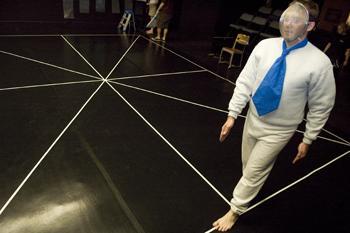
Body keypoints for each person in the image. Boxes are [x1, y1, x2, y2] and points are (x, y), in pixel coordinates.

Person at [212, 1, 336, 231]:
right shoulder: (264, 46)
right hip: (253, 119)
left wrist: (308, 139)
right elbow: (245, 81)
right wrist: (232, 115)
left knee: (254, 171)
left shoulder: (320, 63)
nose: (288, 23)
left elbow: (321, 105)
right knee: (248, 167)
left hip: (280, 130)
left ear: (309, 26)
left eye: (296, 20)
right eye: (286, 18)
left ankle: (235, 210)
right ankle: (249, 190)